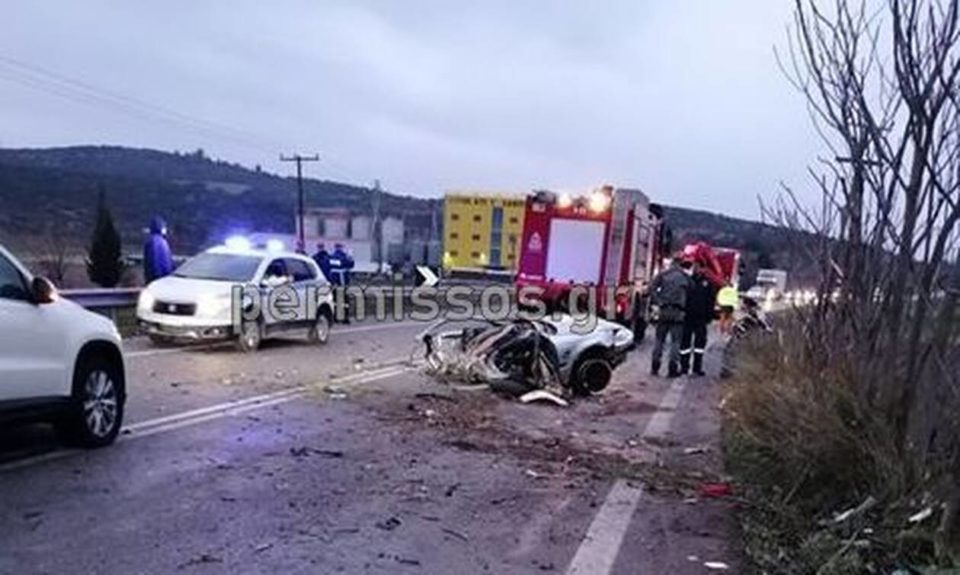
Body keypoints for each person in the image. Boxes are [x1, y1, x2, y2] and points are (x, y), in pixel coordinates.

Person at [649, 256, 693, 378]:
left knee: (659, 340)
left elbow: (651, 288)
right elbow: (692, 290)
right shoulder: (685, 277)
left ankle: (655, 366)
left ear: (672, 263)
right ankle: (672, 368)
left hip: (664, 311)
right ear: (681, 264)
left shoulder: (663, 275)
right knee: (676, 342)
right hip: (678, 313)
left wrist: (659, 301)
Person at [679, 263, 718, 376]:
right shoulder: (688, 281)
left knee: (699, 344)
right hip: (688, 316)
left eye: (700, 267)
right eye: (695, 267)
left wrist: (709, 316)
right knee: (685, 343)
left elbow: (711, 301)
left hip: (701, 318)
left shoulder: (708, 283)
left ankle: (697, 367)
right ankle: (684, 367)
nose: (698, 269)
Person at [143, 216, 173, 285]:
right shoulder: (159, 241)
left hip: (157, 277)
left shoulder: (153, 241)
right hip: (160, 277)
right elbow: (156, 260)